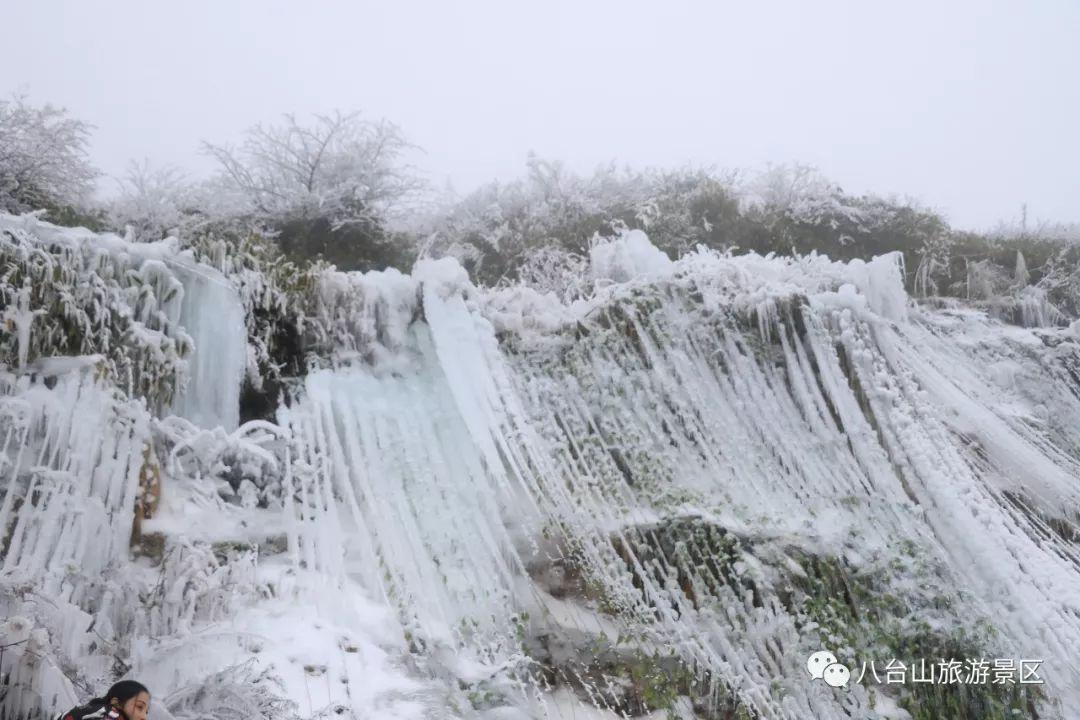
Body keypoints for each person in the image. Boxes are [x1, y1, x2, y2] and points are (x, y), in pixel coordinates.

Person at [57, 680, 151, 720]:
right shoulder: (109, 714)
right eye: (139, 707)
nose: (144, 717)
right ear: (116, 703)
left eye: (146, 712)